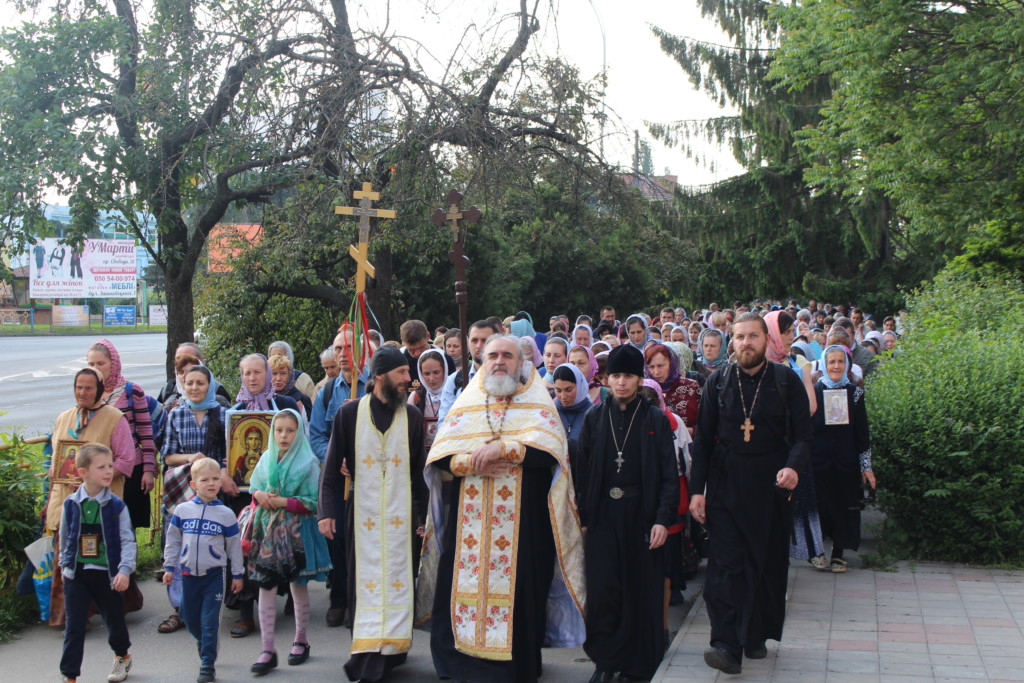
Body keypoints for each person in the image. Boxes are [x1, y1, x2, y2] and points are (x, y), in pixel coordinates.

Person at [423, 335, 585, 683]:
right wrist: (470, 461)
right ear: (481, 360)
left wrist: (506, 449)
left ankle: (516, 666)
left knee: (522, 591)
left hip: (523, 524)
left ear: (521, 361)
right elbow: (441, 455)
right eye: (492, 355)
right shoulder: (469, 400)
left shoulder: (537, 400)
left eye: (506, 356)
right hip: (470, 522)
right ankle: (461, 662)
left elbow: (552, 453)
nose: (499, 361)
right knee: (461, 585)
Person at [689, 313, 813, 675]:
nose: (746, 343)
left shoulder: (785, 381)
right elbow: (703, 441)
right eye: (739, 337)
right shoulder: (718, 383)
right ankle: (725, 644)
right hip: (726, 485)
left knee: (765, 564)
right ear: (732, 341)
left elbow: (804, 437)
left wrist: (793, 467)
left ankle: (755, 633)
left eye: (753, 336)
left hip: (771, 484)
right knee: (725, 567)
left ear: (765, 340)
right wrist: (698, 491)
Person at [317, 347, 428, 682]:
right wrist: (325, 511)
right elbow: (331, 466)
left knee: (398, 582)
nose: (409, 380)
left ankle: (393, 650)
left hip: (401, 521)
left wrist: (425, 520)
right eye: (402, 374)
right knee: (362, 583)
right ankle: (366, 651)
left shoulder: (412, 417)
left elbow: (418, 473)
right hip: (360, 518)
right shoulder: (349, 413)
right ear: (381, 376)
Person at [575, 345, 679, 682]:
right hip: (604, 515)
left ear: (639, 379)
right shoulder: (594, 417)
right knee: (605, 591)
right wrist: (585, 520)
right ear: (606, 378)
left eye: (629, 376)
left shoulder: (654, 419)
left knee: (639, 589)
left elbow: (668, 473)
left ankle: (635, 664)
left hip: (642, 515)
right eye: (616, 376)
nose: (621, 383)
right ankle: (606, 661)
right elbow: (583, 473)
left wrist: (662, 519)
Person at [46, 368, 136, 628]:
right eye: (78, 387)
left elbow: (127, 460)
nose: (82, 393)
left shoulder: (114, 418)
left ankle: (114, 607)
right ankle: (71, 617)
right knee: (70, 554)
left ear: (99, 389)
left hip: (102, 502)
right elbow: (55, 461)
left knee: (103, 552)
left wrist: (97, 476)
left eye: (88, 388)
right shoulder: (65, 417)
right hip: (69, 500)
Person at [248, 410, 331, 674]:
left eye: (290, 430)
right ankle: (267, 648)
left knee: (298, 585)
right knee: (266, 585)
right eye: (279, 430)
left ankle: (301, 639)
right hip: (269, 532)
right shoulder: (266, 458)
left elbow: (313, 501)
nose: (283, 435)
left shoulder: (308, 462)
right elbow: (253, 488)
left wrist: (284, 502)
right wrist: (260, 494)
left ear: (299, 432)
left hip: (297, 533)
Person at [226, 354, 302, 638]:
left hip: (282, 492)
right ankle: (247, 612)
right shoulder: (234, 411)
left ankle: (292, 597)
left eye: (258, 372)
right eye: (246, 373)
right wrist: (227, 474)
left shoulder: (283, 405)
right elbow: (228, 453)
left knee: (286, 543)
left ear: (267, 374)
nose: (252, 378)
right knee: (247, 548)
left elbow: (298, 444)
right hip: (244, 494)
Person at [58, 443, 136, 683]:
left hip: (107, 573)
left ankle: (122, 655)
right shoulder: (71, 504)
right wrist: (64, 566)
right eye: (101, 467)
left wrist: (124, 570)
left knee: (113, 620)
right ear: (82, 472)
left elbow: (127, 540)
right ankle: (69, 675)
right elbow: (63, 537)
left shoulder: (116, 506)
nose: (108, 471)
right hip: (77, 573)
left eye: (110, 466)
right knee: (74, 626)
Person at [158, 365, 227, 635]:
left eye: (200, 383)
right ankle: (179, 609)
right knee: (178, 546)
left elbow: (227, 453)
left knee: (209, 547)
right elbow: (167, 456)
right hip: (183, 493)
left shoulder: (222, 414)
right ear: (183, 386)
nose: (195, 388)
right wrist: (191, 458)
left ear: (210, 385)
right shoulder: (175, 415)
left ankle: (209, 603)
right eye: (190, 383)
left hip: (213, 490)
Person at [163, 457, 245, 683]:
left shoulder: (226, 514)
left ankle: (207, 664)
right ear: (193, 484)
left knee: (210, 621)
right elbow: (173, 541)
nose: (211, 483)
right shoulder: (182, 511)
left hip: (213, 577)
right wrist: (169, 566)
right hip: (189, 576)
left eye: (216, 478)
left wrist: (238, 574)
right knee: (189, 618)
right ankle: (204, 641)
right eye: (205, 479)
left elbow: (234, 547)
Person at [811, 346, 876, 573]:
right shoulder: (815, 391)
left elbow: (862, 434)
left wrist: (866, 467)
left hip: (845, 461)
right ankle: (817, 552)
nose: (836, 366)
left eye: (840, 362)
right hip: (818, 461)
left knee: (843, 507)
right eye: (832, 362)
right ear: (824, 365)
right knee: (819, 508)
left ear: (847, 366)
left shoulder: (854, 393)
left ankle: (838, 553)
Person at [87, 339, 156, 530]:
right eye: (91, 364)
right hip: (97, 468)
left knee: (126, 527)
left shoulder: (131, 391)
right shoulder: (89, 392)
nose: (96, 369)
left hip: (130, 470)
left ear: (113, 363)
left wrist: (148, 470)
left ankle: (128, 561)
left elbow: (145, 433)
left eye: (101, 363)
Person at [310, 328, 369, 463]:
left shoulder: (377, 387)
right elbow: (317, 436)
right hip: (337, 472)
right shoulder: (325, 393)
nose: (343, 353)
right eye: (338, 348)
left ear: (360, 351)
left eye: (349, 347)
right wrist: (335, 459)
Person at [436, 320, 499, 422]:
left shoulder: (508, 379)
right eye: (474, 340)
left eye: (485, 341)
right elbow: (444, 423)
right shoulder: (454, 380)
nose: (478, 346)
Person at [644, 343, 700, 436]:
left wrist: (687, 431)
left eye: (661, 365)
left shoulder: (692, 387)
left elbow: (708, 423)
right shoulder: (643, 390)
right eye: (651, 367)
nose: (656, 372)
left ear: (671, 363)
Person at [157, 342, 233, 405]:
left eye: (188, 358)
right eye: (178, 359)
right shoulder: (169, 388)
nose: (183, 362)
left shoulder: (217, 389)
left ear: (200, 361)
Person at [408, 348, 449, 451]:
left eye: (436, 372)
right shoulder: (415, 398)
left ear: (444, 370)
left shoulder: (454, 395)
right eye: (426, 374)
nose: (432, 378)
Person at [552, 363, 591, 446]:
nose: (563, 397)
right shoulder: (551, 412)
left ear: (580, 386)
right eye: (558, 391)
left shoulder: (594, 413)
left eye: (569, 390)